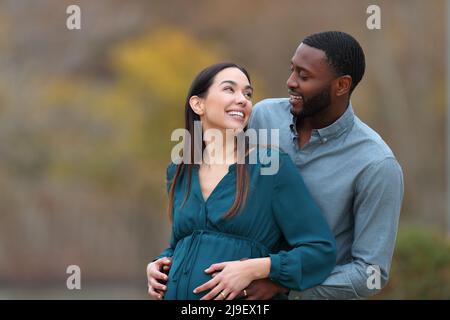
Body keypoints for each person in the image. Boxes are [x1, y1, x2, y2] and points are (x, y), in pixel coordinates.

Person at [146, 62, 336, 300]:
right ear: (198, 104)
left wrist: (256, 268)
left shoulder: (270, 166)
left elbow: (320, 252)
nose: (243, 99)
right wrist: (158, 265)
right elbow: (184, 242)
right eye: (229, 89)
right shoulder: (178, 171)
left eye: (247, 94)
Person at [244, 31, 404, 299]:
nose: (290, 82)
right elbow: (223, 197)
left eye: (304, 76)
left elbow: (371, 274)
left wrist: (286, 285)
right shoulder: (263, 117)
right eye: (291, 70)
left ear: (341, 85)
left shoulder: (376, 165)